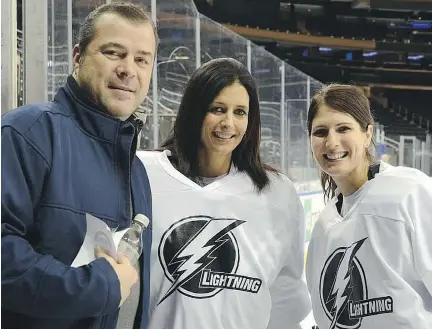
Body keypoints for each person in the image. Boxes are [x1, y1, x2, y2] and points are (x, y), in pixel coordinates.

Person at [2, 2, 158, 328]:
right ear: (77, 57)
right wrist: (98, 287)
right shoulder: (28, 134)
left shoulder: (137, 172)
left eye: (142, 59)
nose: (129, 69)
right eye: (114, 53)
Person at [137, 58, 311, 328]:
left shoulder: (277, 193)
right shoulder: (143, 174)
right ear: (195, 111)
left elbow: (284, 296)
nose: (229, 123)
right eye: (218, 109)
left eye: (240, 112)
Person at [305, 84, 432, 328]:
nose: (331, 142)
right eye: (320, 132)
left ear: (367, 134)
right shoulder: (324, 226)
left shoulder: (410, 192)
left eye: (343, 128)